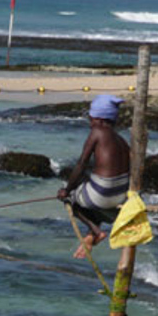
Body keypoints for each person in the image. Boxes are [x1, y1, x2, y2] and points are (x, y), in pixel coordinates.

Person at [58, 95, 130, 258]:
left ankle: (96, 231)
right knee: (90, 198)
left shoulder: (97, 131)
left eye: (91, 119)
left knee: (71, 198)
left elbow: (81, 164)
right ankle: (92, 233)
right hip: (120, 196)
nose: (90, 123)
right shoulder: (122, 140)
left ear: (99, 119)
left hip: (102, 193)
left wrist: (66, 190)